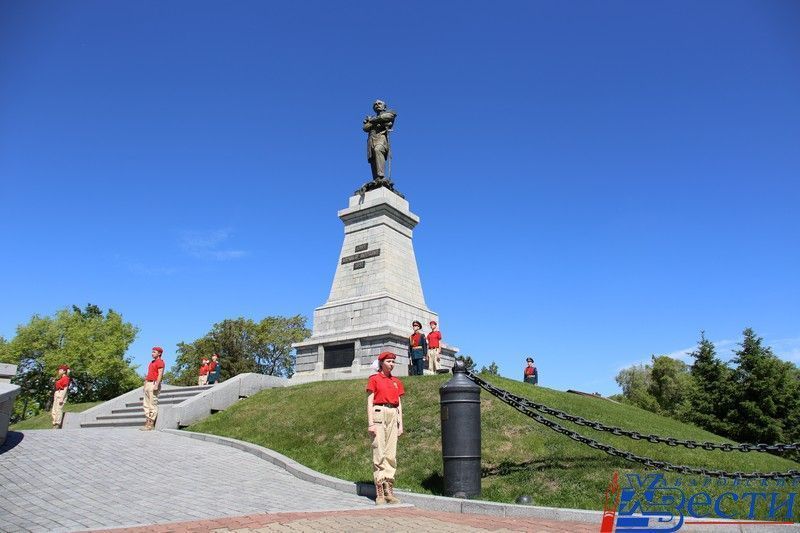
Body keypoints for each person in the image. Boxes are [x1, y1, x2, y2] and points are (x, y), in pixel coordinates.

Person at [366, 351, 405, 505]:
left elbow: (399, 403)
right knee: (379, 451)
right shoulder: (374, 379)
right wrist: (371, 423)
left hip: (393, 414)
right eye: (389, 361)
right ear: (381, 363)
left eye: (393, 362)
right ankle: (379, 491)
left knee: (391, 453)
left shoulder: (396, 381)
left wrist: (400, 423)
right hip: (379, 413)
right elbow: (369, 402)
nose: (391, 364)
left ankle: (389, 488)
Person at [363, 100, 397, 183]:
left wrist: (372, 121)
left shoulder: (390, 112)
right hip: (371, 140)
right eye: (375, 104)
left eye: (379, 103)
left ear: (384, 107)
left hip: (381, 138)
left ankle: (381, 176)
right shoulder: (372, 118)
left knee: (378, 150)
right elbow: (365, 128)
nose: (377, 105)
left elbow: (388, 117)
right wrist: (376, 121)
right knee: (373, 159)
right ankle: (376, 180)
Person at [141, 346, 165, 431]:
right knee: (146, 404)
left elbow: (160, 374)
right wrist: (145, 384)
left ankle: (151, 423)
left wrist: (157, 385)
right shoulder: (151, 362)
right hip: (148, 383)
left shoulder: (160, 362)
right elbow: (148, 374)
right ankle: (147, 421)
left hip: (154, 383)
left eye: (154, 352)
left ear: (159, 353)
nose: (152, 353)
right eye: (152, 352)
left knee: (152, 404)